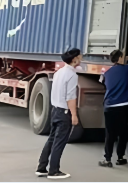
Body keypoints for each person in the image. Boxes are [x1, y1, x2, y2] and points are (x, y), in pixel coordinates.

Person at [36, 48, 82, 179]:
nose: (81, 58)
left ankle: (41, 167)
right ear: (75, 59)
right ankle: (54, 171)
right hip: (64, 112)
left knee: (51, 139)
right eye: (80, 56)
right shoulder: (72, 75)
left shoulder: (59, 72)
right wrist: (74, 115)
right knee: (59, 142)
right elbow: (70, 97)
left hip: (55, 109)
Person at [98, 50, 128, 168]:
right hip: (123, 105)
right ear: (119, 58)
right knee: (123, 132)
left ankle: (107, 159)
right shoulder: (126, 69)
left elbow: (104, 84)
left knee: (110, 134)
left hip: (109, 106)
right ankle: (120, 157)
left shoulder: (107, 73)